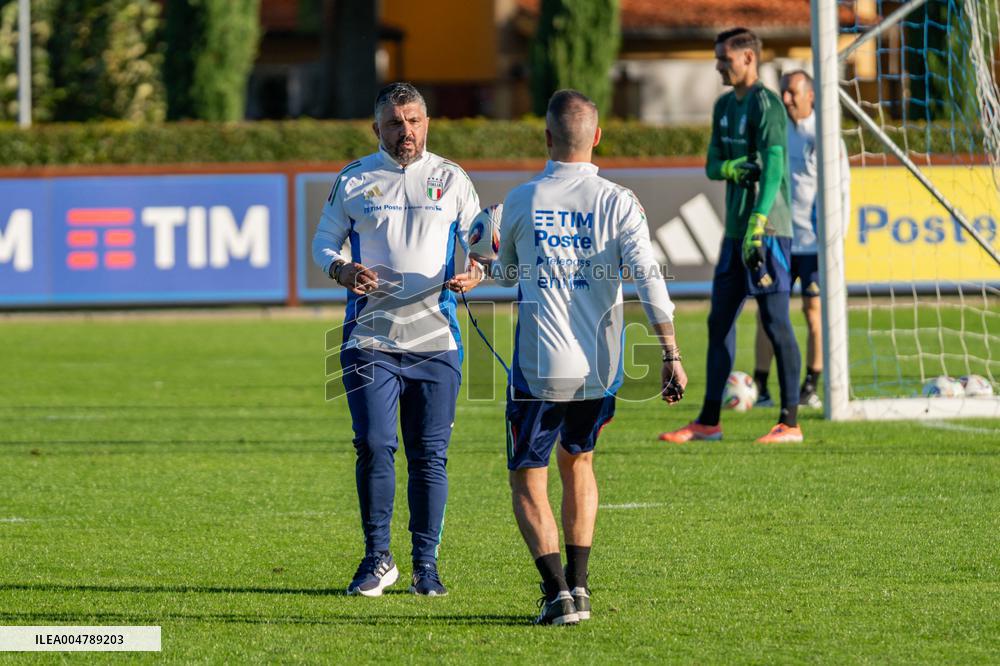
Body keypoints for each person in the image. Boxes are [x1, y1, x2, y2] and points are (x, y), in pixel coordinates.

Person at [482, 89, 687, 625]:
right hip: (602, 368)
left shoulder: (523, 199)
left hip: (539, 367)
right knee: (580, 463)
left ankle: (556, 594)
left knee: (528, 475)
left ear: (547, 137)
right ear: (597, 136)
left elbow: (504, 274)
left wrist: (487, 248)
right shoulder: (621, 201)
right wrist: (670, 353)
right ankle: (581, 587)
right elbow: (649, 279)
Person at [312, 82, 483, 598]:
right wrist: (341, 269)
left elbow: (480, 240)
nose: (404, 131)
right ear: (376, 128)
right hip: (370, 340)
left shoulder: (452, 179)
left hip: (437, 340)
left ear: (426, 123)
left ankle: (425, 567)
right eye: (394, 122)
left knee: (429, 456)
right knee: (374, 446)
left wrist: (478, 269)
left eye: (413, 121)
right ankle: (376, 559)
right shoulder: (354, 179)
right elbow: (323, 242)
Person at [659, 27, 803, 444]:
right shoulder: (724, 105)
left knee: (775, 322)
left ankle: (790, 422)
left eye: (725, 58)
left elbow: (774, 169)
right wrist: (733, 168)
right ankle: (708, 421)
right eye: (718, 58)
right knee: (718, 322)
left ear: (748, 58)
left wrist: (759, 224)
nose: (719, 65)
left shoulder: (767, 105)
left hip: (768, 230)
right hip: (734, 234)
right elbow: (711, 164)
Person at [753, 70, 850, 409]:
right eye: (783, 92)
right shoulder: (777, 133)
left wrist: (834, 240)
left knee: (813, 312)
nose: (787, 98)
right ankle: (760, 386)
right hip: (778, 239)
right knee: (768, 312)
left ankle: (812, 383)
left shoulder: (826, 137)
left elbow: (842, 192)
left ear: (810, 95)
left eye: (793, 92)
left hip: (812, 245)